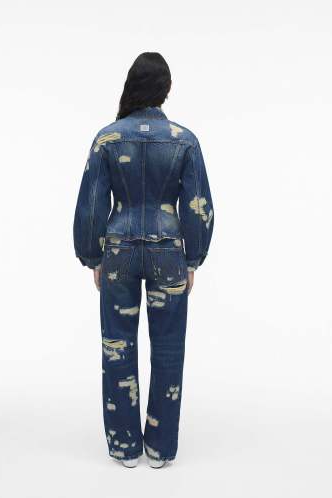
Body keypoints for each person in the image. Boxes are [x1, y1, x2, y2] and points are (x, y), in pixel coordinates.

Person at [73, 52, 214, 469]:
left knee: (117, 346)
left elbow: (91, 205)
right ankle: (160, 448)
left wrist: (92, 255)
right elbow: (199, 206)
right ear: (166, 89)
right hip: (168, 252)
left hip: (118, 251)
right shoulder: (184, 140)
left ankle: (124, 446)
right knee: (168, 348)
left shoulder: (108, 139)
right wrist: (193, 258)